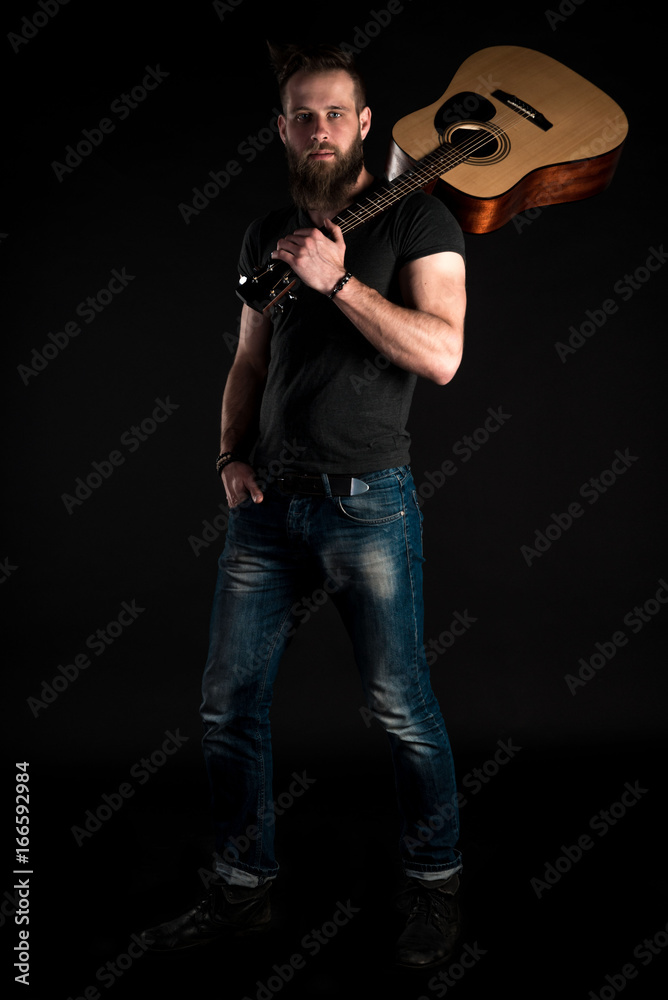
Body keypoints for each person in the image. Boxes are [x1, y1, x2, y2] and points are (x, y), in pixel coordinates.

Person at [139, 40, 467, 969]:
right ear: (282, 129)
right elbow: (249, 359)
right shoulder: (263, 232)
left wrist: (342, 281)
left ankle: (437, 883)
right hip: (266, 510)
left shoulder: (421, 219)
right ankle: (244, 891)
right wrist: (226, 457)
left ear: (366, 124)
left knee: (400, 706)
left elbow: (442, 355)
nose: (319, 129)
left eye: (336, 113)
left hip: (370, 506)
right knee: (226, 706)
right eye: (302, 115)